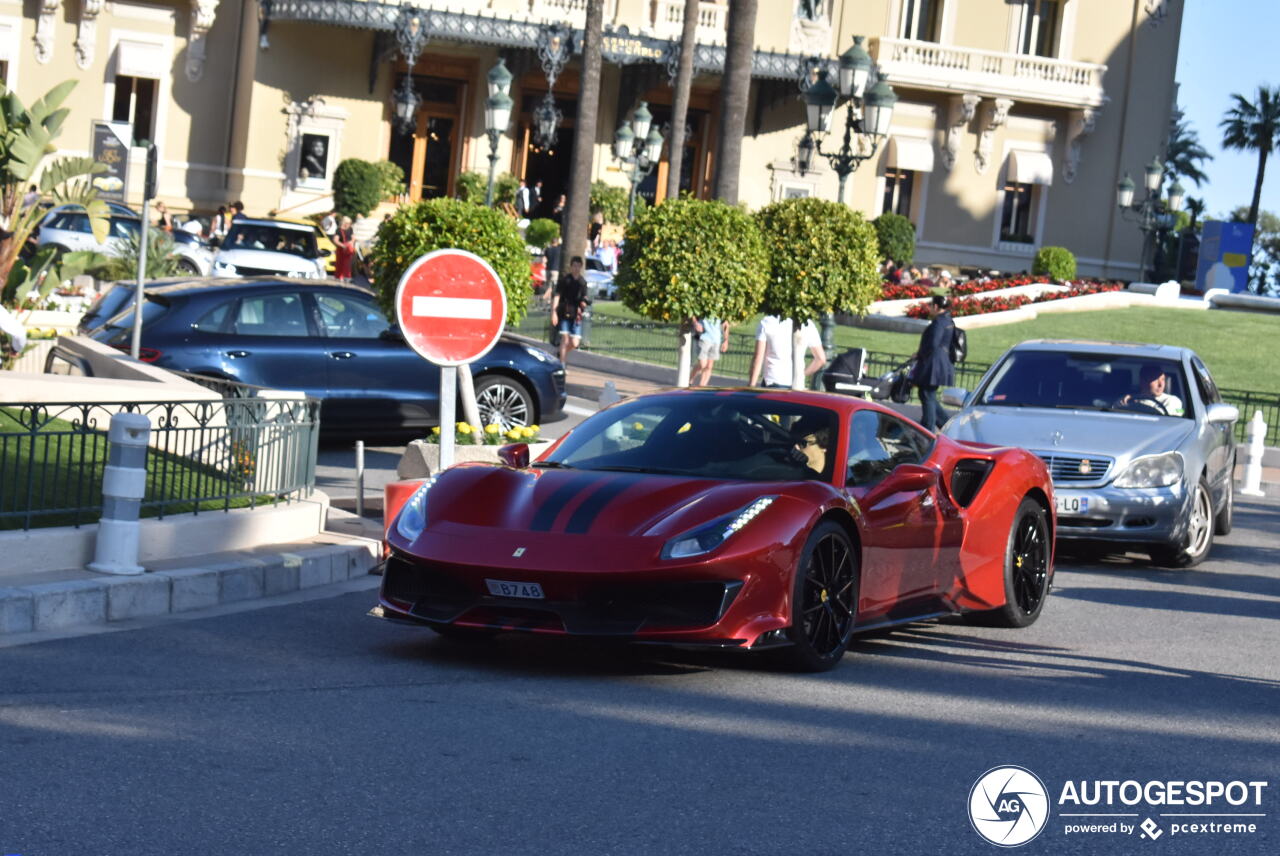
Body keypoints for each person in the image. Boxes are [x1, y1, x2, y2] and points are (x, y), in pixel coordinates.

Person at [910, 293, 956, 431]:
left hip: (933, 365)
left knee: (926, 394)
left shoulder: (938, 322)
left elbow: (933, 343)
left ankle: (928, 429)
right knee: (928, 395)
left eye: (931, 305)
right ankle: (947, 425)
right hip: (941, 364)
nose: (930, 308)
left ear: (936, 306)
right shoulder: (948, 320)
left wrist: (919, 354)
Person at [748, 315, 825, 389]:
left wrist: (751, 384)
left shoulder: (768, 321)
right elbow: (820, 359)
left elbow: (758, 358)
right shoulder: (808, 324)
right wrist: (801, 375)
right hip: (797, 384)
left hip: (773, 381)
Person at [551, 256, 589, 366]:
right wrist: (554, 312)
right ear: (571, 267)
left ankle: (560, 353)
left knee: (575, 342)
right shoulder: (565, 280)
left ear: (581, 267)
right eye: (574, 266)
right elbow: (557, 296)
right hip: (564, 312)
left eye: (578, 266)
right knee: (565, 340)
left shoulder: (583, 282)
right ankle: (561, 364)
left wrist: (583, 303)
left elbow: (584, 297)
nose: (576, 268)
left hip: (576, 315)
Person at [1117, 364, 1184, 416]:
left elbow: (1162, 419)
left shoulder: (1172, 401)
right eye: (1155, 380)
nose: (1160, 384)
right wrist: (1125, 402)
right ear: (1143, 381)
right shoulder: (1128, 399)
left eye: (1163, 379)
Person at [691, 316, 729, 387]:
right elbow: (693, 315)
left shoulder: (721, 310)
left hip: (716, 339)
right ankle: (690, 379)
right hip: (704, 337)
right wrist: (695, 323)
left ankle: (702, 386)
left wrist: (726, 340)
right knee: (702, 364)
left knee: (709, 366)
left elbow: (725, 324)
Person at [333, 216, 355, 282]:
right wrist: (343, 246)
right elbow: (335, 240)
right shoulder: (339, 230)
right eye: (348, 223)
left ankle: (347, 276)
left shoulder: (350, 229)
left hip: (349, 249)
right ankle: (340, 277)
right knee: (340, 263)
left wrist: (351, 243)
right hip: (341, 249)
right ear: (344, 223)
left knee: (347, 264)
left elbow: (353, 237)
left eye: (349, 223)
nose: (349, 225)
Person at [542, 236, 562, 304]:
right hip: (556, 270)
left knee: (548, 285)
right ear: (557, 242)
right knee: (553, 286)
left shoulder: (548, 249)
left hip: (548, 269)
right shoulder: (559, 249)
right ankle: (544, 297)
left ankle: (549, 300)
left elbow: (544, 259)